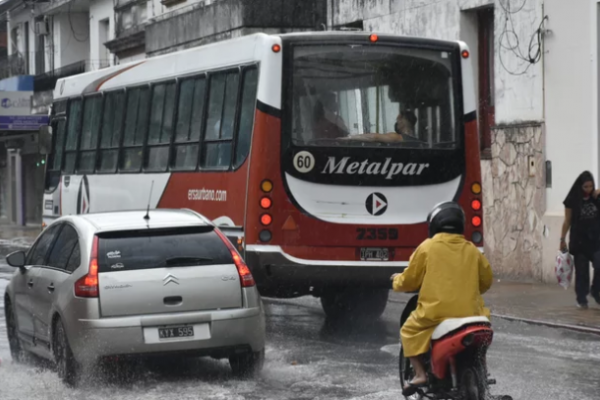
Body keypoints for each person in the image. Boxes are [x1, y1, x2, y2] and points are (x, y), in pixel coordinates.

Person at [390, 201, 493, 396]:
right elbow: (486, 281)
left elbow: (410, 280)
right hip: (472, 315)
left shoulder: (427, 247)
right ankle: (483, 373)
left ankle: (420, 373)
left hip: (435, 314)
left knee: (408, 331)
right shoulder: (471, 249)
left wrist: (396, 281)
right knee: (480, 346)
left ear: (434, 224)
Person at [560, 171, 600, 309]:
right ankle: (582, 299)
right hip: (580, 240)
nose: (588, 190)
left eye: (591, 186)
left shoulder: (596, 197)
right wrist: (562, 239)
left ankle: (596, 291)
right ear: (580, 186)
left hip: (595, 240)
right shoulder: (573, 199)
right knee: (582, 272)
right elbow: (568, 220)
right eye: (585, 187)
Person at [340, 110, 419, 143]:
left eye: (398, 119)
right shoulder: (416, 141)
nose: (397, 122)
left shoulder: (398, 137)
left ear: (403, 120)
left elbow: (374, 137)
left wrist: (350, 138)